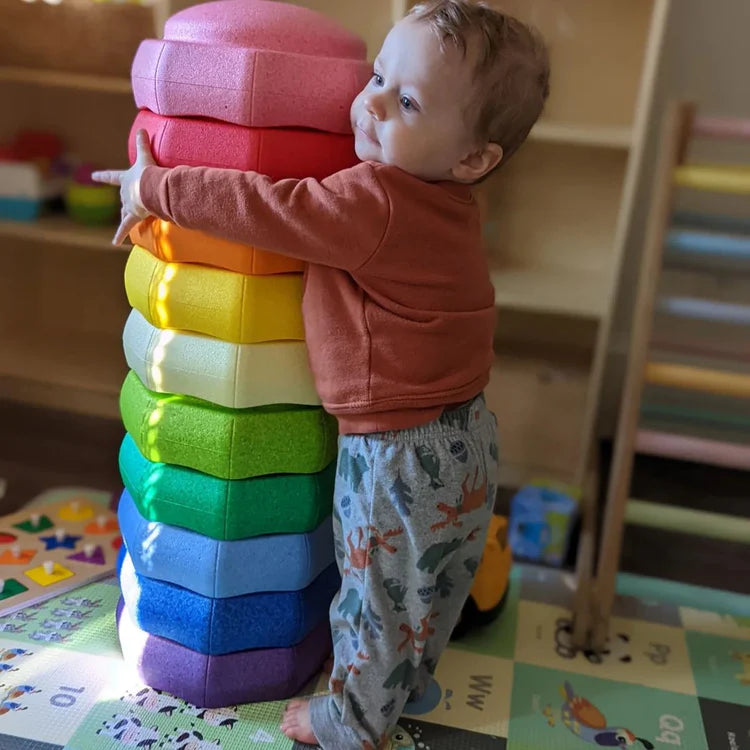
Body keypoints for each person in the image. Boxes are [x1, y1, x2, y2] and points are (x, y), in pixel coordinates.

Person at [94, 1, 549, 747]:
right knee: (424, 587)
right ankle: (405, 679)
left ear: (474, 157)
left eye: (405, 101)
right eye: (377, 76)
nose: (368, 102)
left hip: (399, 450)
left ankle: (352, 719)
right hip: (465, 434)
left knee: (374, 590)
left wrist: (155, 188)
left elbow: (268, 208)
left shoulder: (374, 202)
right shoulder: (451, 200)